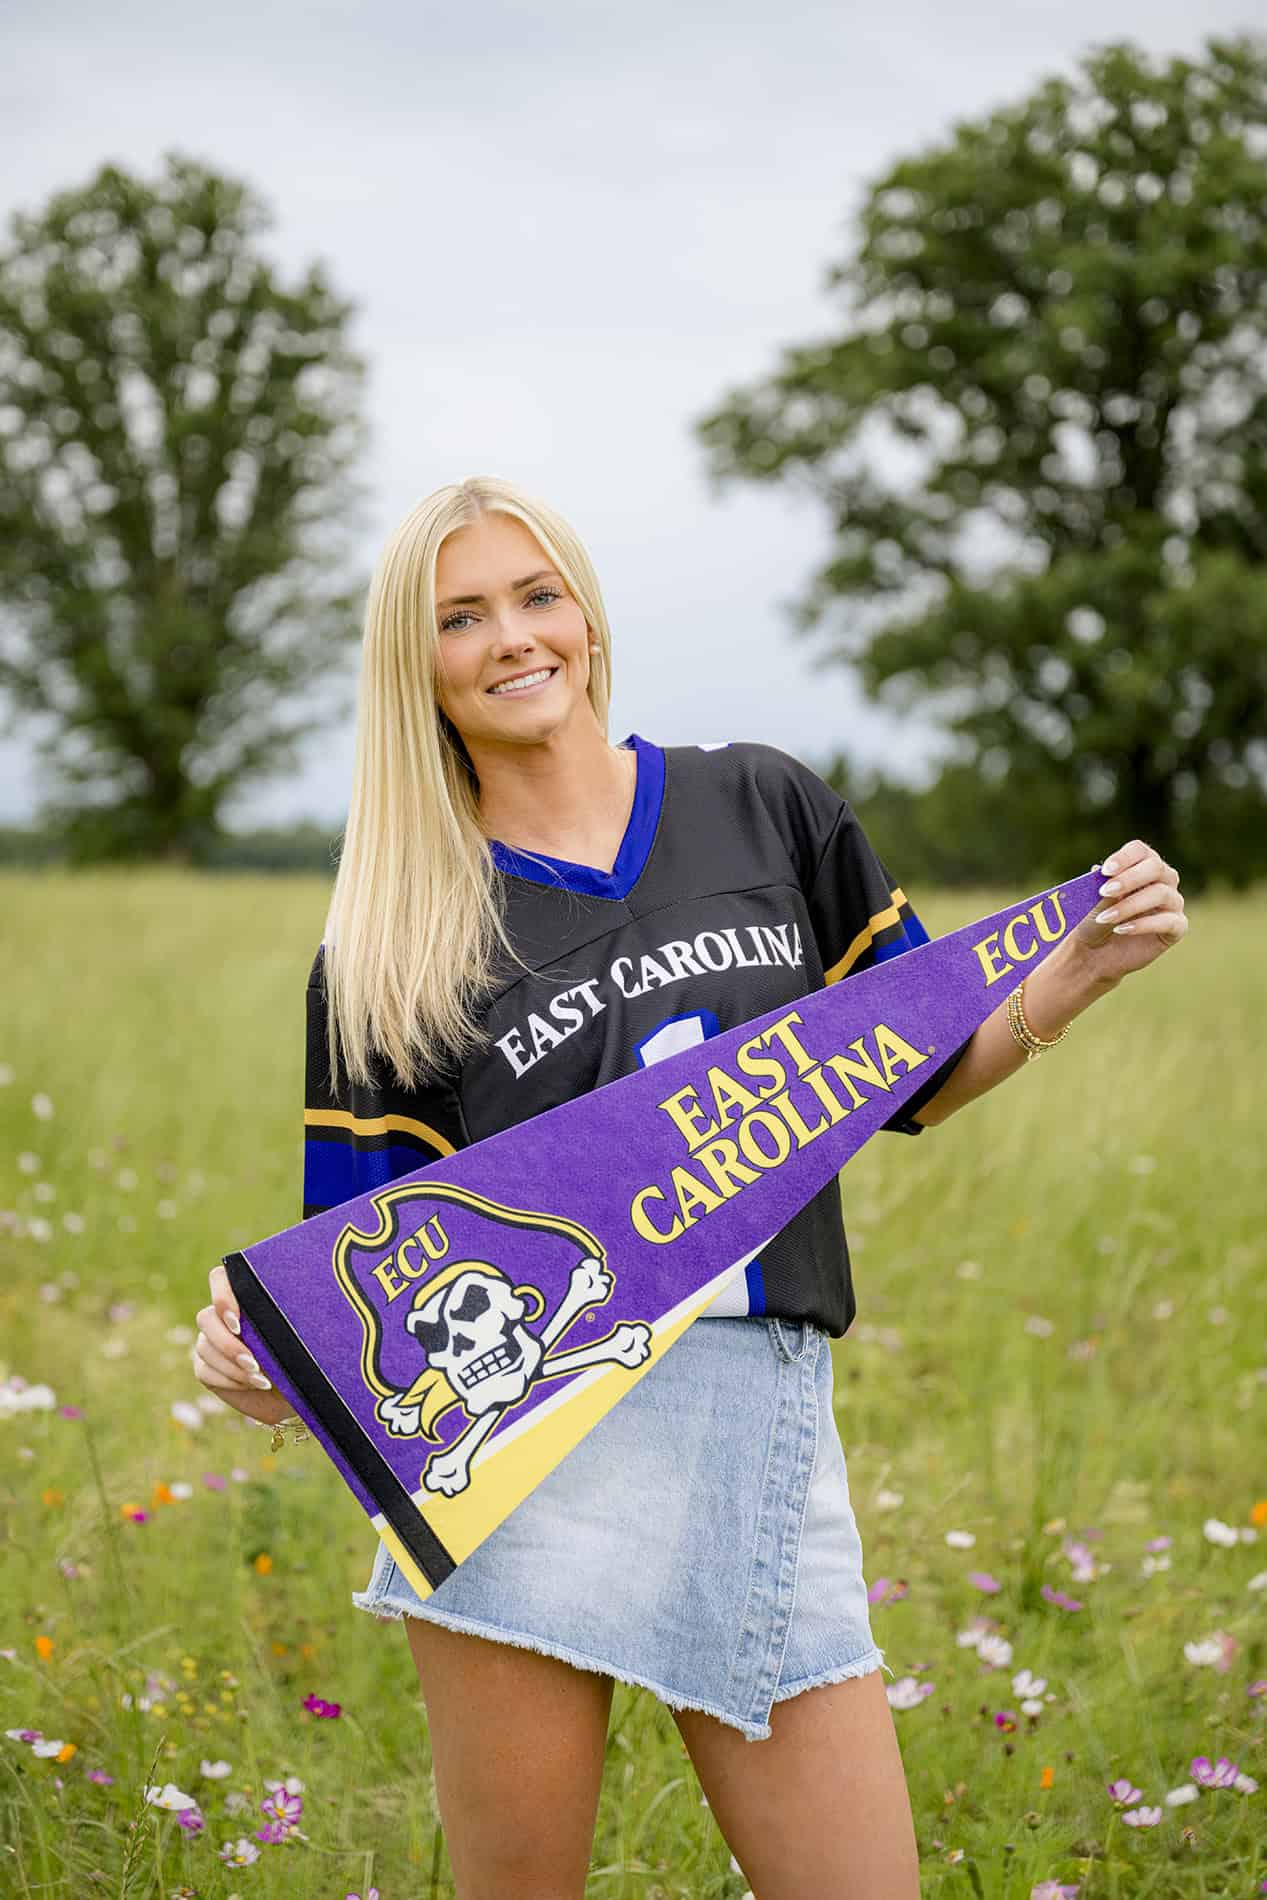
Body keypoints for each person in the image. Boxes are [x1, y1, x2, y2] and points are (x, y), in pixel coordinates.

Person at [192, 476, 1188, 1900]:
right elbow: (356, 1284)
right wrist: (251, 1356)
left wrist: (1073, 975)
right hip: (526, 1472)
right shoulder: (388, 942)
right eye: (459, 616)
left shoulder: (761, 805)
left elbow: (901, 1075)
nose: (512, 638)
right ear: (413, 668)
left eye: (536, 595)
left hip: (759, 1433)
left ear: (586, 612)